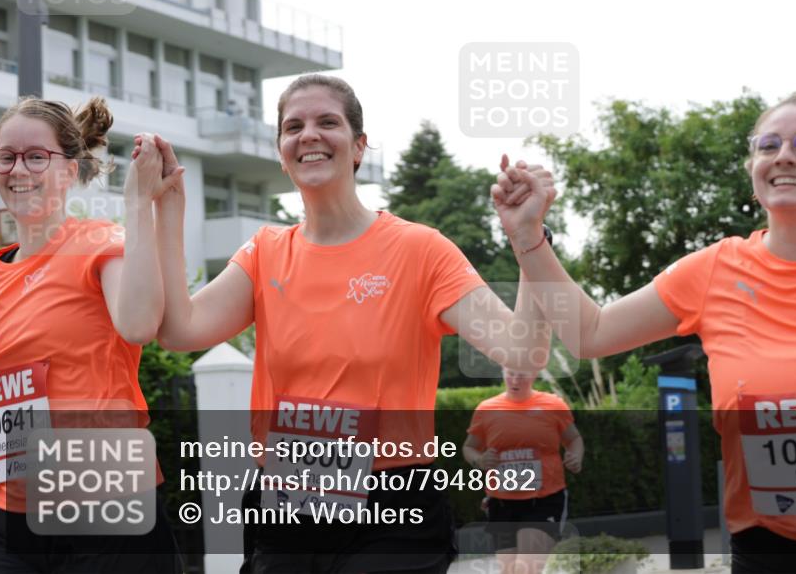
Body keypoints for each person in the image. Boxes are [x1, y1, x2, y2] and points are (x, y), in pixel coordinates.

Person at [492, 93, 796, 573]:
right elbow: (588, 334)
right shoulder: (712, 271)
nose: (785, 156)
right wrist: (528, 237)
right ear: (754, 171)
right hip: (765, 545)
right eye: (767, 146)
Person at [145, 74, 553, 574]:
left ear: (359, 146)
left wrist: (529, 240)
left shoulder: (419, 250)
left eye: (327, 122)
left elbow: (523, 352)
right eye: (293, 126)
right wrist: (168, 206)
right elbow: (179, 330)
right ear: (280, 151)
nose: (309, 135)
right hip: (286, 503)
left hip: (394, 510)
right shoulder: (264, 252)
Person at [0, 97, 183, 573]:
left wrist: (137, 202)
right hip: (5, 516)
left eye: (37, 156)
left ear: (70, 172)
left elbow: (138, 325)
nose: (19, 169)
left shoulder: (100, 243)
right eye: (6, 156)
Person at [463, 367, 583, 574]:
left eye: (522, 373)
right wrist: (480, 460)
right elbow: (469, 447)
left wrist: (576, 456)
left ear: (534, 373)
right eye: (510, 373)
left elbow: (574, 439)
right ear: (502, 373)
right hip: (502, 503)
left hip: (543, 500)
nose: (515, 379)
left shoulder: (553, 405)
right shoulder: (487, 408)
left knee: (525, 570)